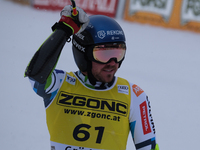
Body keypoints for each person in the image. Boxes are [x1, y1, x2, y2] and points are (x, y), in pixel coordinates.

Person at [25, 5, 159, 150]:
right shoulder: (59, 84)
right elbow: (36, 73)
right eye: (104, 55)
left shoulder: (134, 95)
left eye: (118, 53)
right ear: (84, 54)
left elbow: (148, 148)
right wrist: (64, 29)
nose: (113, 63)